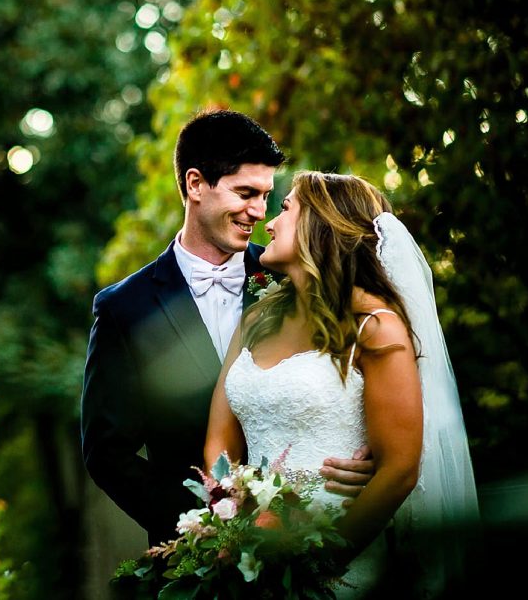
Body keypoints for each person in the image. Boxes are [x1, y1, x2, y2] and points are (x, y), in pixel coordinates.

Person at [80, 110, 372, 548]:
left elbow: (357, 376)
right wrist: (201, 528)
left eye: (266, 196)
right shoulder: (125, 308)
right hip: (196, 558)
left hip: (317, 531)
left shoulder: (294, 275)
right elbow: (107, 455)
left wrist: (366, 455)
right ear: (195, 185)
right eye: (245, 193)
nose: (258, 211)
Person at [204, 171, 479, 597]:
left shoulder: (376, 328)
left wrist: (312, 566)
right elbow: (219, 442)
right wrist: (233, 525)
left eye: (285, 209)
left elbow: (400, 468)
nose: (269, 224)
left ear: (322, 222)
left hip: (340, 565)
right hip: (250, 560)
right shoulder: (257, 318)